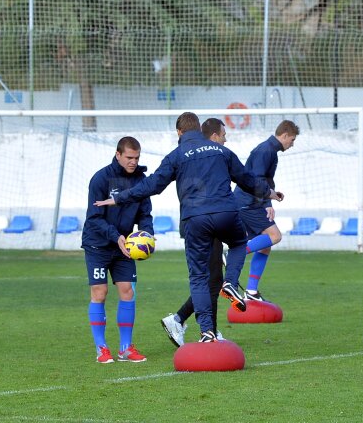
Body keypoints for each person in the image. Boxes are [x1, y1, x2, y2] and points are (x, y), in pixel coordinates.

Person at [99, 112, 281, 343]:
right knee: (237, 245)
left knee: (199, 278)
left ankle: (206, 330)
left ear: (179, 132)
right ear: (201, 130)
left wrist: (119, 198)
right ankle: (231, 284)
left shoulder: (176, 156)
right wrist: (269, 193)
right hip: (226, 215)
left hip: (196, 222)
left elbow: (152, 185)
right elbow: (246, 179)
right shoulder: (222, 152)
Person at [161, 118, 232, 346]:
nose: (225, 139)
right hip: (203, 225)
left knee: (213, 280)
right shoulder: (210, 156)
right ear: (213, 136)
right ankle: (203, 329)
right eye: (222, 135)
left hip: (204, 223)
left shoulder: (192, 155)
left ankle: (184, 321)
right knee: (209, 280)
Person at [84, 136, 154, 363]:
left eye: (137, 158)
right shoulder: (101, 179)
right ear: (118, 155)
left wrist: (146, 235)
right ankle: (101, 348)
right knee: (100, 293)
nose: (133, 162)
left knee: (127, 291)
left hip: (124, 247)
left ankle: (125, 348)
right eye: (129, 157)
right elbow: (94, 218)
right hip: (98, 244)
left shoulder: (141, 181)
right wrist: (116, 237)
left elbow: (145, 214)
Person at [233, 119, 300, 302]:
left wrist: (270, 201)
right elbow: (256, 181)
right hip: (247, 202)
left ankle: (251, 291)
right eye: (292, 140)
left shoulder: (270, 151)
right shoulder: (266, 150)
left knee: (265, 245)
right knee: (275, 236)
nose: (292, 144)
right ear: (284, 135)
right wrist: (266, 203)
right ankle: (234, 253)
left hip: (250, 201)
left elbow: (264, 182)